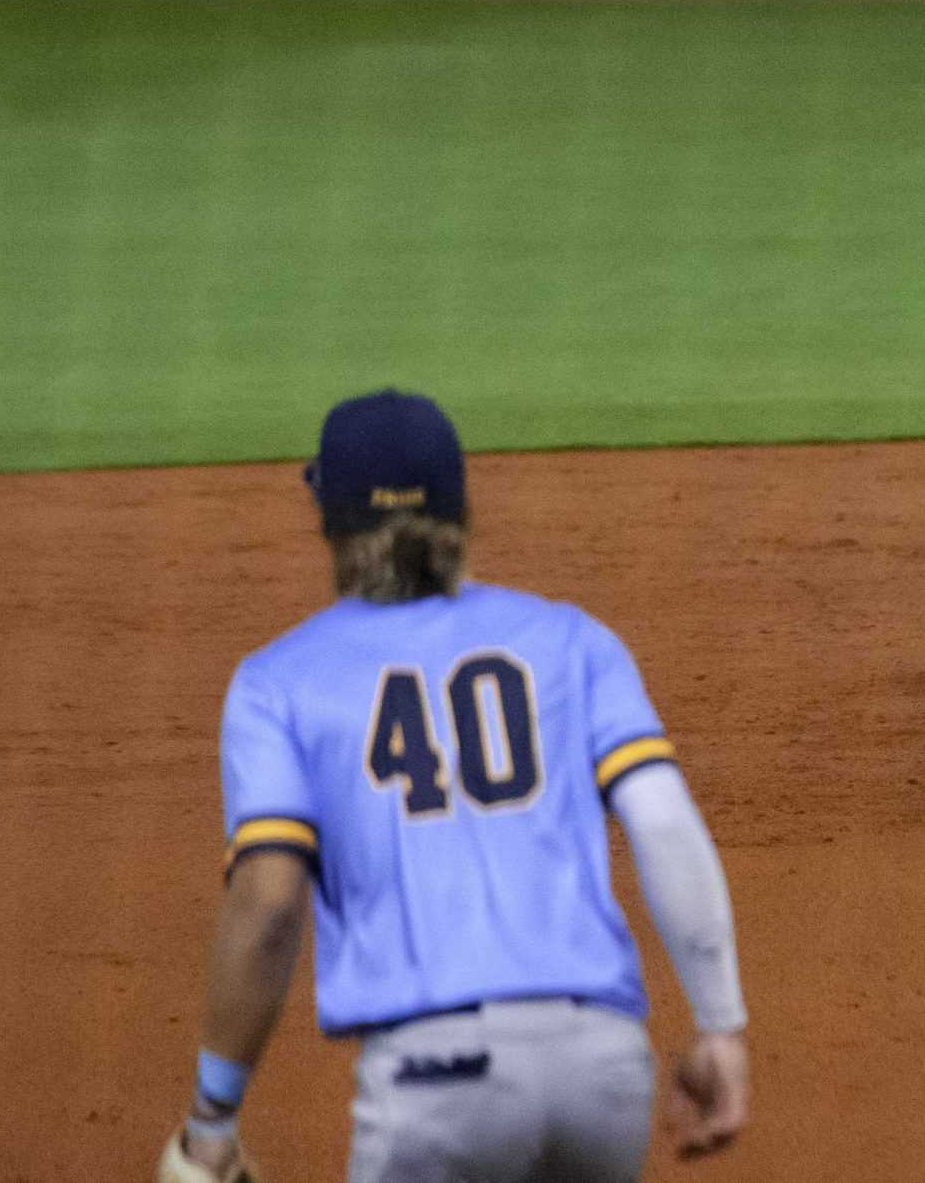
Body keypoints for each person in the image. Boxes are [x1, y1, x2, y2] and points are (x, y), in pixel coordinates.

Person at [157, 390, 751, 1183]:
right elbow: (664, 821)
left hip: (433, 1089)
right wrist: (719, 1026)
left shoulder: (277, 683)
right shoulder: (572, 639)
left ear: (329, 520)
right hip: (604, 1074)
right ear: (460, 513)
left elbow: (268, 903)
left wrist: (213, 1118)